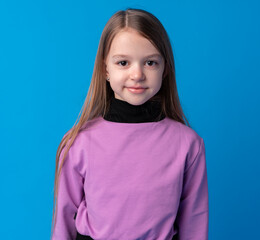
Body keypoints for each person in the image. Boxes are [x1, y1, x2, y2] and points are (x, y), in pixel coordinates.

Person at [51, 8, 209, 240]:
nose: (137, 74)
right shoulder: (78, 142)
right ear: (105, 68)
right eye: (123, 62)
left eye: (150, 63)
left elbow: (194, 223)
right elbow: (63, 221)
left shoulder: (188, 144)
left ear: (165, 68)